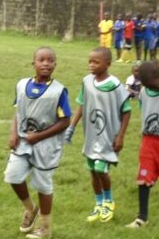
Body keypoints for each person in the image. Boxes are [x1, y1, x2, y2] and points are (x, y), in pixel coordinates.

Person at [4, 47, 71, 239]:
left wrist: (39, 136)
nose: (46, 63)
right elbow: (18, 111)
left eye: (50, 60)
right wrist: (13, 134)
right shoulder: (21, 85)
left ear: (55, 65)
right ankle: (30, 209)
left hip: (46, 146)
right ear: (33, 63)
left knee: (43, 186)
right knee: (13, 176)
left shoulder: (58, 91)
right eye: (41, 60)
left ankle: (45, 227)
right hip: (23, 141)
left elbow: (65, 121)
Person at [65, 47, 131, 224]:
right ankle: (98, 204)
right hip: (91, 136)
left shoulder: (115, 85)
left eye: (96, 62)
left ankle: (108, 201)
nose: (91, 65)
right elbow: (81, 104)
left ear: (108, 64)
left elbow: (126, 111)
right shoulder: (87, 81)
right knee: (92, 171)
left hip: (108, 137)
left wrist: (121, 136)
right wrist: (71, 127)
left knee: (101, 169)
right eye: (90, 61)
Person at [127, 60, 159, 228]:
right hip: (148, 141)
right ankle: (142, 217)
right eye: (149, 85)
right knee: (144, 177)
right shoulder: (145, 92)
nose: (154, 88)